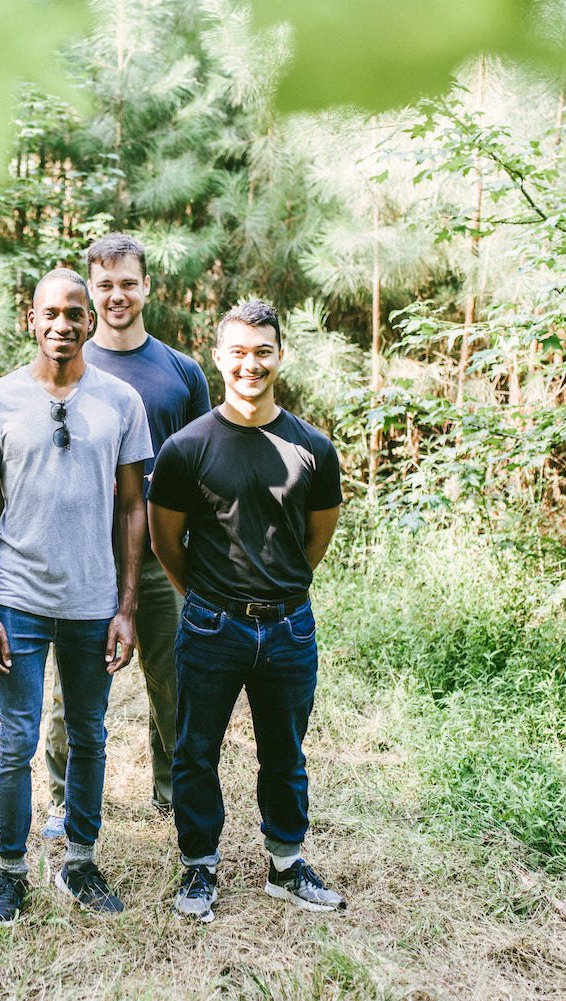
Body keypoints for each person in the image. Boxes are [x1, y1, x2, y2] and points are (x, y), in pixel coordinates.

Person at [0, 268, 152, 925]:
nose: (63, 324)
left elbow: (133, 507)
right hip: (18, 599)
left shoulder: (121, 402)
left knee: (90, 735)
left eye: (75, 312)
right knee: (16, 740)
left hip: (93, 601)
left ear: (90, 321)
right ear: (31, 319)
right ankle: (10, 872)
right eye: (51, 313)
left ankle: (81, 862)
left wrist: (126, 607)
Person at [147, 299, 346, 923]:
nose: (250, 364)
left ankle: (285, 866)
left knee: (285, 753)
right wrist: (207, 597)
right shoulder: (186, 448)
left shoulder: (313, 448)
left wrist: (280, 589)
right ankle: (198, 867)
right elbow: (165, 541)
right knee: (195, 751)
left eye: (263, 351)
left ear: (281, 356)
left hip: (289, 627)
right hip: (212, 625)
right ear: (217, 357)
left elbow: (315, 538)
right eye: (237, 352)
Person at [40, 234, 210, 839]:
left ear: (147, 287)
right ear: (90, 292)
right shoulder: (67, 366)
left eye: (128, 283)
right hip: (85, 556)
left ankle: (174, 797)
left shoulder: (181, 373)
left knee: (175, 684)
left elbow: (204, 467)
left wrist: (200, 551)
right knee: (74, 692)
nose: (117, 295)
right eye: (105, 285)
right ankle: (65, 801)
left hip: (163, 554)